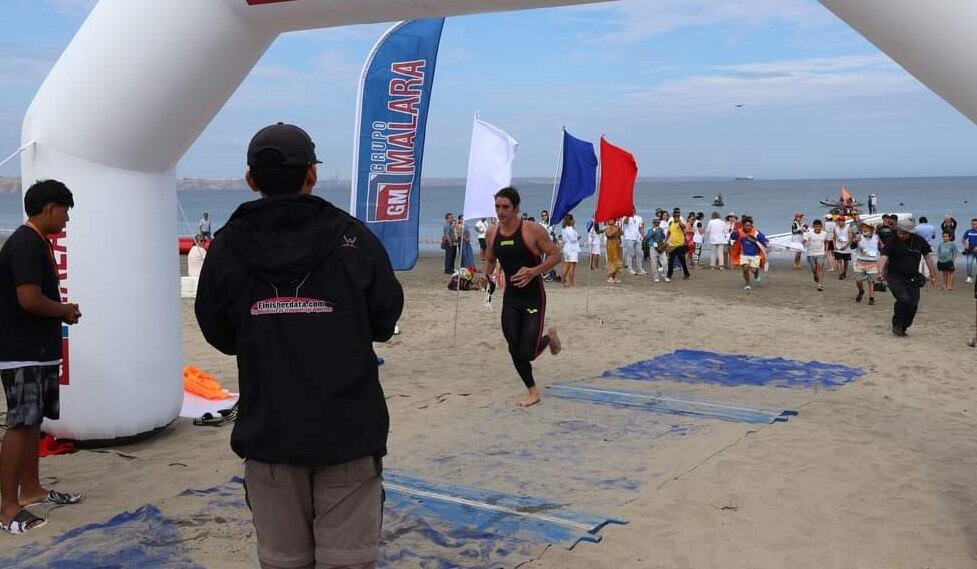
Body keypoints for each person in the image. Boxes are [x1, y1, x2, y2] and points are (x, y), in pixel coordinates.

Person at [195, 123, 403, 568]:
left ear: (252, 180)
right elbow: (385, 319)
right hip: (345, 432)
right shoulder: (353, 238)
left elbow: (217, 331)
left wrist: (268, 328)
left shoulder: (228, 245)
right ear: (311, 175)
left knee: (283, 561)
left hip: (272, 435)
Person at [0, 180, 83, 535]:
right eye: (65, 211)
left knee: (34, 422)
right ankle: (7, 507)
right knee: (19, 424)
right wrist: (63, 310)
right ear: (50, 208)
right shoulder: (25, 245)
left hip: (38, 351)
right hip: (22, 353)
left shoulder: (36, 242)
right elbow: (29, 300)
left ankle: (32, 490)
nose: (66, 220)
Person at [482, 187, 562, 407]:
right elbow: (489, 259)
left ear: (516, 208)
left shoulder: (532, 230)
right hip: (511, 298)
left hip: (533, 297)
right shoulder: (492, 233)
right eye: (497, 207)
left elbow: (556, 255)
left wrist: (533, 271)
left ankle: (550, 338)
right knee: (513, 347)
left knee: (527, 352)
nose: (501, 211)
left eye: (505, 207)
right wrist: (485, 276)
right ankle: (533, 391)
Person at [879, 218, 937, 337]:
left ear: (910, 232)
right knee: (903, 299)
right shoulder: (892, 241)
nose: (902, 235)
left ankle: (904, 326)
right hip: (895, 277)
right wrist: (880, 272)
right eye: (900, 232)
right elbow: (883, 257)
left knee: (913, 305)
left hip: (913, 277)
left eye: (905, 233)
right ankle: (897, 325)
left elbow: (927, 257)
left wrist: (932, 273)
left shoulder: (919, 241)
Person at [730, 216, 768, 291]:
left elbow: (763, 239)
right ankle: (747, 285)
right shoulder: (739, 232)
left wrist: (766, 242)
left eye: (750, 225)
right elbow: (732, 237)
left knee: (754, 270)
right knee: (745, 268)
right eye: (747, 225)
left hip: (755, 255)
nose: (748, 227)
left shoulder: (755, 232)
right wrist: (734, 230)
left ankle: (756, 275)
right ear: (743, 225)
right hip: (744, 255)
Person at [852, 221, 880, 304]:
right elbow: (852, 247)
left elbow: (882, 247)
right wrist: (855, 241)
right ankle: (861, 290)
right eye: (863, 227)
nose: (865, 229)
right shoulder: (859, 237)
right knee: (858, 280)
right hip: (861, 261)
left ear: (871, 229)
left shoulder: (877, 237)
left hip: (873, 262)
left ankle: (871, 298)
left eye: (867, 227)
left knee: (871, 281)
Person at [803, 219, 828, 291]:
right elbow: (804, 241)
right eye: (816, 227)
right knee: (814, 268)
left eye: (819, 227)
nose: (817, 228)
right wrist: (804, 242)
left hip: (820, 253)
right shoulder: (809, 233)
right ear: (813, 227)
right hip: (811, 253)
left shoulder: (824, 233)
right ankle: (815, 274)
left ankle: (820, 285)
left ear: (821, 227)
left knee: (820, 267)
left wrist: (826, 251)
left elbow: (827, 242)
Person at [666, 208, 689, 281]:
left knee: (682, 261)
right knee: (671, 261)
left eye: (677, 216)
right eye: (675, 216)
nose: (676, 217)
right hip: (672, 246)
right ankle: (669, 275)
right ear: (673, 217)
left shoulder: (681, 223)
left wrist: (679, 221)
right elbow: (668, 232)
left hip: (680, 245)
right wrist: (666, 240)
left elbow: (684, 227)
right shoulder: (671, 223)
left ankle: (686, 273)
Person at [561, 214, 580, 287]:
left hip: (567, 247)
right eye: (573, 219)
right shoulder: (570, 229)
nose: (574, 221)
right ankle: (571, 282)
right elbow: (573, 239)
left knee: (567, 265)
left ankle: (563, 280)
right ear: (570, 220)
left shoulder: (564, 229)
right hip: (571, 248)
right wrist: (577, 238)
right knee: (572, 266)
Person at [832, 215, 853, 280]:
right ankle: (841, 274)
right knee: (839, 260)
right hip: (838, 248)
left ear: (844, 221)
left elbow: (850, 238)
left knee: (846, 261)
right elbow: (834, 237)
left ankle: (844, 272)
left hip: (846, 248)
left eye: (842, 221)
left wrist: (846, 246)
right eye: (839, 221)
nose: (840, 222)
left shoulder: (848, 227)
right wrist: (834, 245)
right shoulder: (835, 228)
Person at [604, 219, 623, 283]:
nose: (611, 221)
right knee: (611, 259)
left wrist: (619, 230)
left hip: (617, 244)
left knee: (616, 259)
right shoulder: (607, 227)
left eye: (612, 219)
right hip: (610, 244)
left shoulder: (616, 226)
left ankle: (614, 276)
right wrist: (615, 230)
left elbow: (621, 233)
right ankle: (610, 276)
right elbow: (608, 235)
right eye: (610, 220)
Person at [961, 218, 977, 284]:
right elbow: (963, 239)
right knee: (969, 263)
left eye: (975, 224)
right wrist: (965, 244)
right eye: (972, 224)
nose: (973, 225)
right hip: (970, 249)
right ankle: (969, 277)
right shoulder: (968, 231)